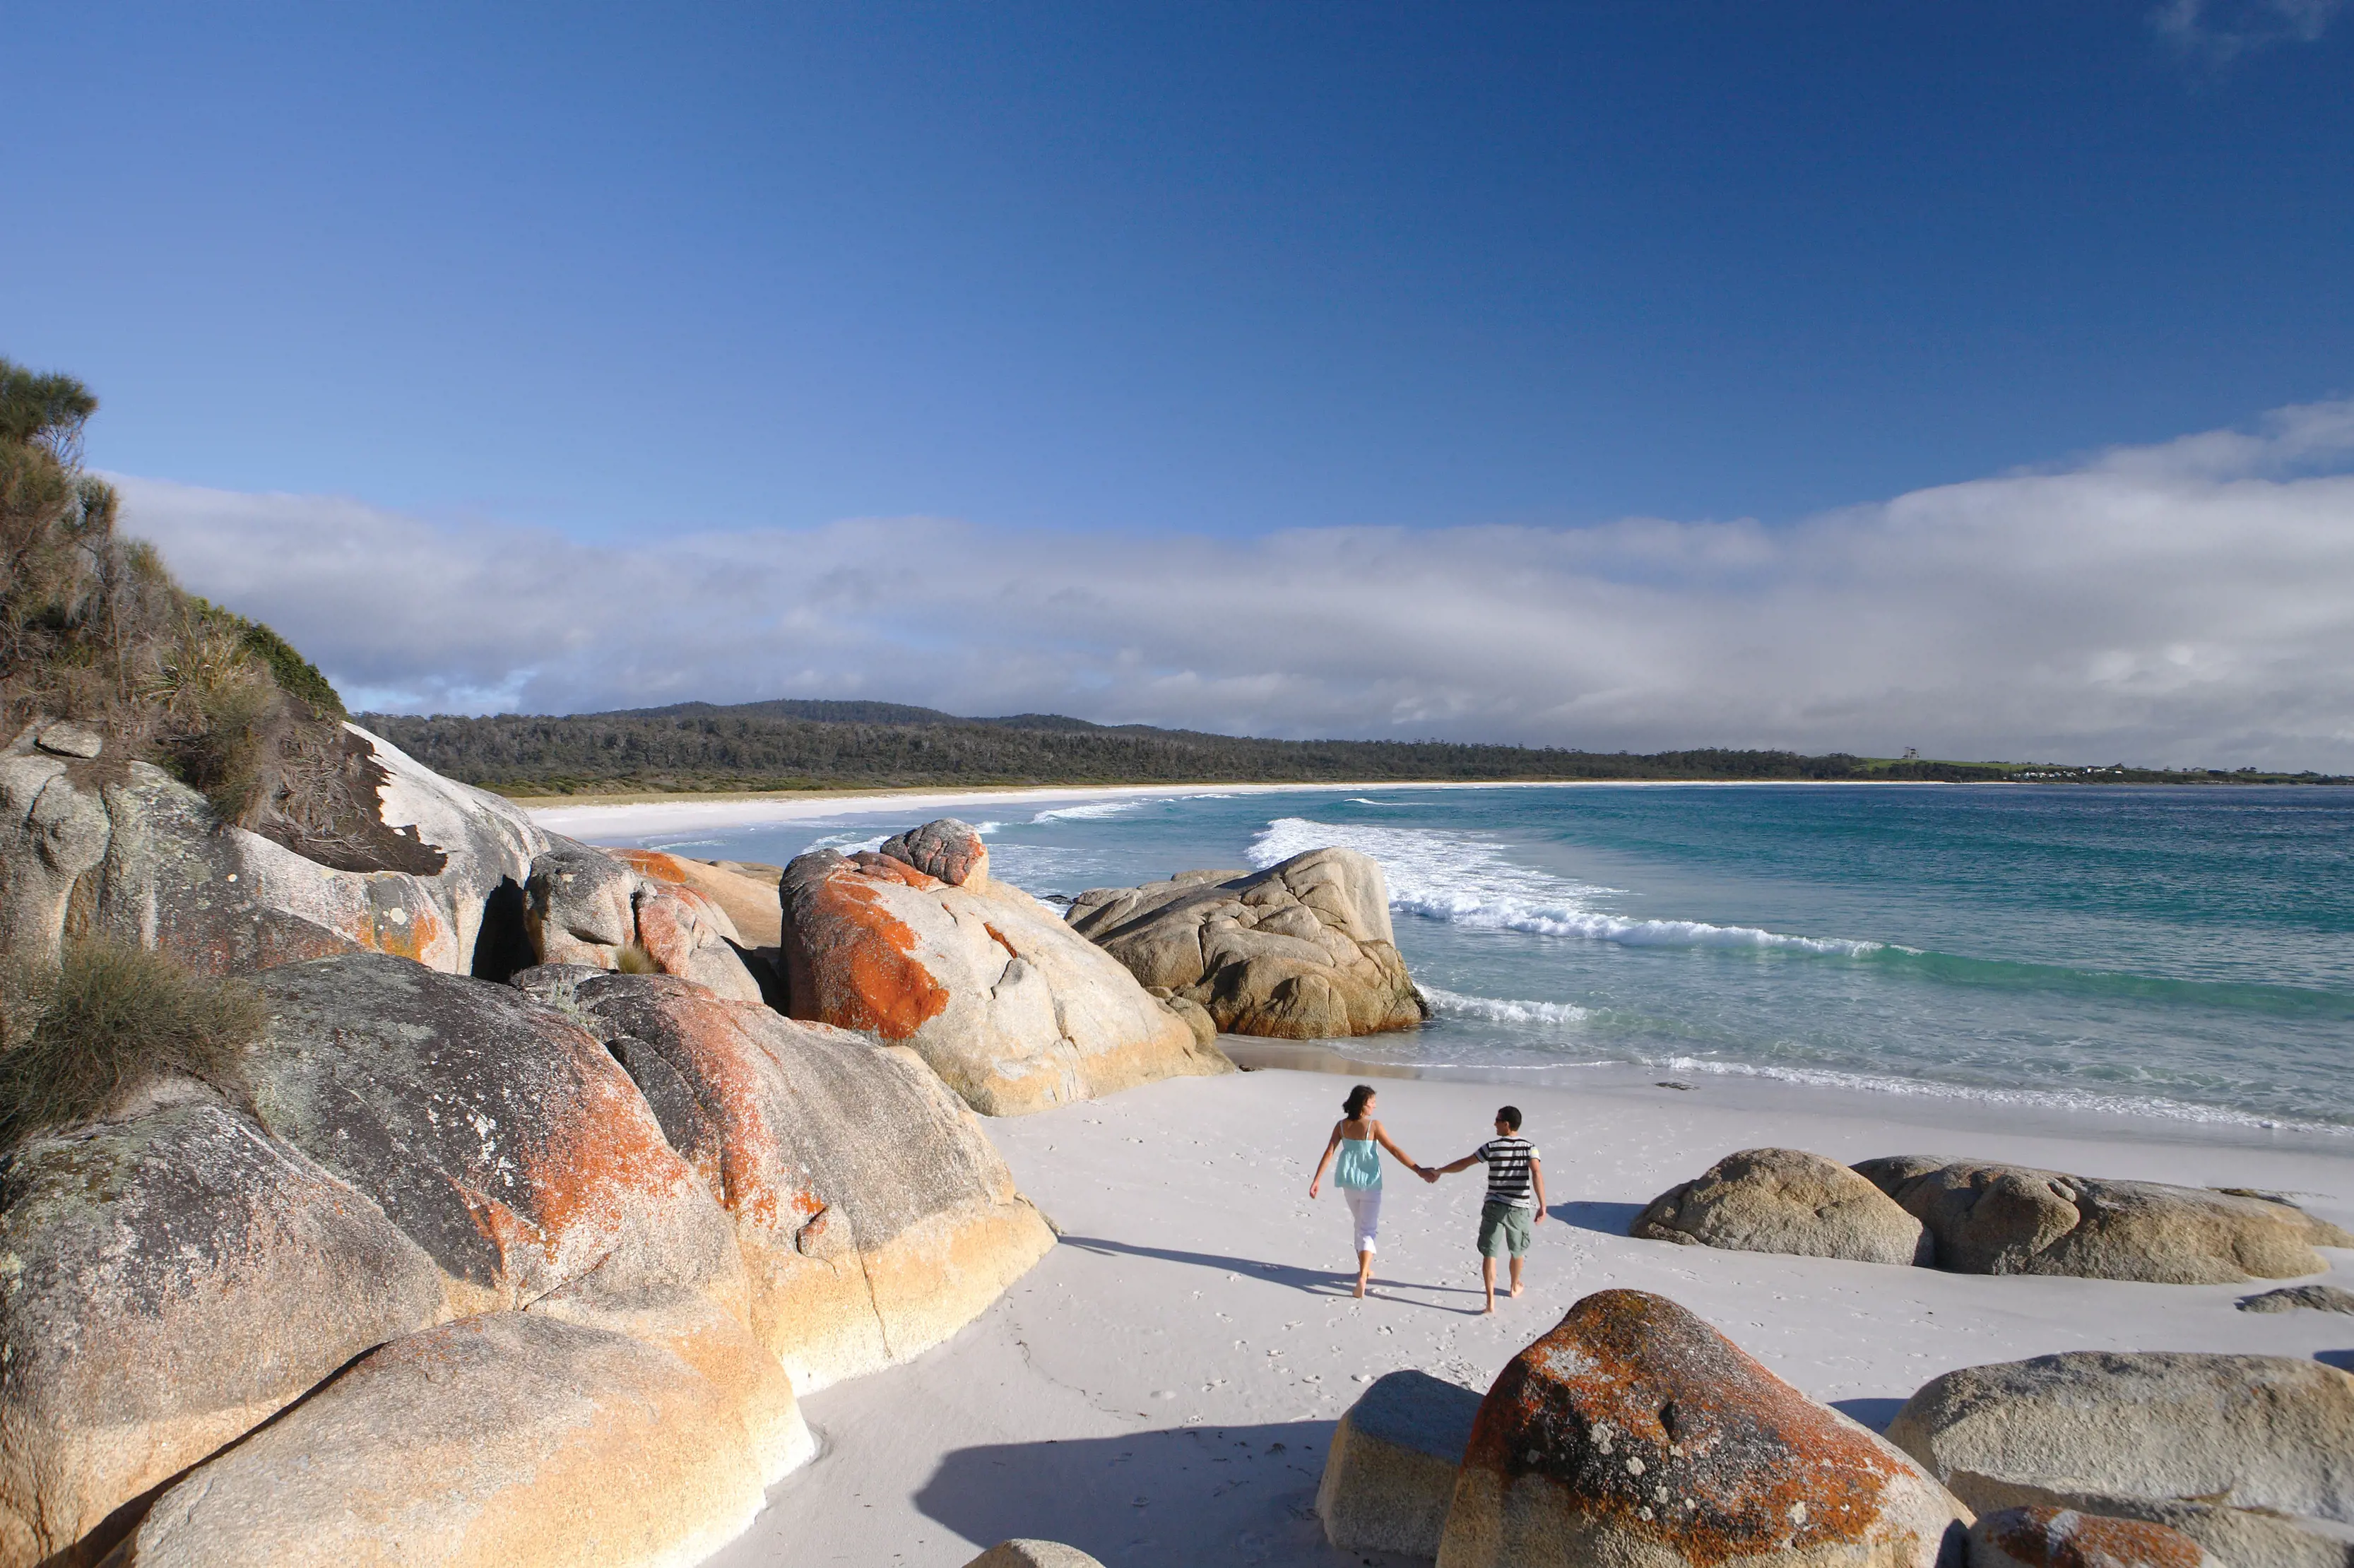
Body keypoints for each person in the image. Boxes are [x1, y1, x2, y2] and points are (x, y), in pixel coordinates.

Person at [1306, 1084, 1431, 1298]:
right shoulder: (1374, 1126)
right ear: (1363, 1104)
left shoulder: (1342, 1125)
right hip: (1370, 1183)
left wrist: (1317, 1179)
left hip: (1349, 1182)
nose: (1375, 1105)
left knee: (1360, 1225)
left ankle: (1364, 1268)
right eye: (1372, 1101)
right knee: (1368, 1229)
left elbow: (1330, 1152)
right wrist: (1418, 1170)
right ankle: (1363, 1276)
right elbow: (1394, 1149)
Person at [1430, 1105, 1546, 1314]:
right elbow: (1536, 1173)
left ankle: (1490, 1302)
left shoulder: (1491, 1147)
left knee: (1490, 1253)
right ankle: (1514, 1286)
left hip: (1493, 1205)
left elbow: (1465, 1163)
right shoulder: (1531, 1147)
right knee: (1517, 1250)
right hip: (1518, 1208)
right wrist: (1543, 1204)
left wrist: (1440, 1171)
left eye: (1497, 1120)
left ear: (1507, 1124)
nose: (1494, 1123)